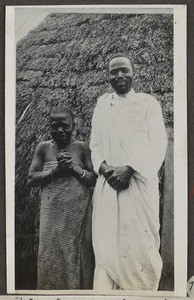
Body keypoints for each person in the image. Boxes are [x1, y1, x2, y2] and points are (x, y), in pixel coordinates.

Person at [90, 53, 167, 290]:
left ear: (134, 73)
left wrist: (129, 169)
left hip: (138, 183)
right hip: (108, 185)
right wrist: (106, 169)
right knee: (107, 250)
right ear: (108, 77)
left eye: (124, 70)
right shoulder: (102, 105)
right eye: (114, 72)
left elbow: (158, 142)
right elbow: (95, 145)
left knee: (140, 246)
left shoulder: (148, 103)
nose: (119, 75)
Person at [28, 106, 96, 290]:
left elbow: (92, 179)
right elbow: (31, 178)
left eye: (64, 126)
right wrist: (55, 171)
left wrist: (75, 169)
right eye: (54, 126)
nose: (59, 130)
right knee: (50, 254)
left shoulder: (82, 148)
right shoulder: (43, 148)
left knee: (80, 254)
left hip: (78, 215)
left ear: (73, 125)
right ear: (49, 127)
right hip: (52, 216)